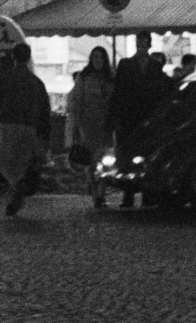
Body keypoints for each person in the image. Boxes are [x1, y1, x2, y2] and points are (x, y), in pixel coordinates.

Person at [106, 33, 175, 207]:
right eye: (139, 43)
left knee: (146, 155)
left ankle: (144, 194)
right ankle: (129, 194)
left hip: (145, 118)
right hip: (131, 117)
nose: (141, 47)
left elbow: (161, 91)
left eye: (144, 44)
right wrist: (114, 116)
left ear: (149, 45)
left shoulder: (153, 66)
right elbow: (118, 92)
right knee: (129, 155)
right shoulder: (127, 64)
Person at [0, 42, 51, 216]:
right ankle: (15, 199)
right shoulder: (37, 82)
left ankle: (17, 189)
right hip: (30, 128)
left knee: (6, 163)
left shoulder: (4, 78)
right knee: (22, 163)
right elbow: (45, 111)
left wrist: (2, 105)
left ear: (13, 57)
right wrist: (44, 135)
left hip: (9, 125)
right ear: (28, 58)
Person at [65, 46, 116, 208]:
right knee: (92, 161)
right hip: (88, 125)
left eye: (101, 57)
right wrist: (76, 127)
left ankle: (101, 192)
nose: (98, 60)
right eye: (95, 57)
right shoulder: (84, 77)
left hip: (106, 125)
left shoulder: (110, 77)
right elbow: (76, 102)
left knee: (105, 161)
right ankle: (96, 194)